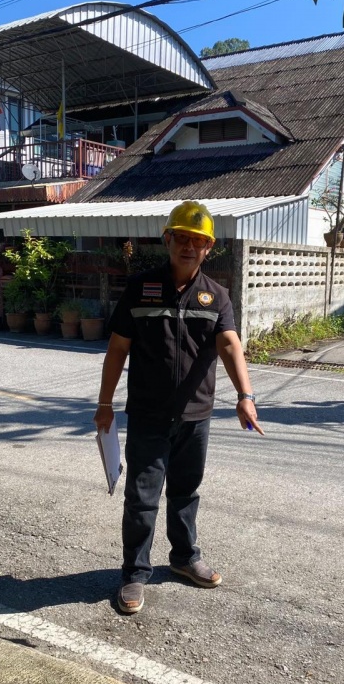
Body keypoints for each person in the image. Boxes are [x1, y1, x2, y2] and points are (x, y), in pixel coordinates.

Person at [94, 201, 263, 615]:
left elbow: (229, 345)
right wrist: (105, 403)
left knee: (186, 492)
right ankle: (135, 573)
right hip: (148, 414)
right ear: (167, 239)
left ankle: (184, 557)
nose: (189, 247)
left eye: (197, 241)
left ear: (208, 248)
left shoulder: (216, 296)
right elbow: (117, 348)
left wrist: (245, 396)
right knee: (142, 497)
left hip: (196, 416)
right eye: (182, 238)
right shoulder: (140, 288)